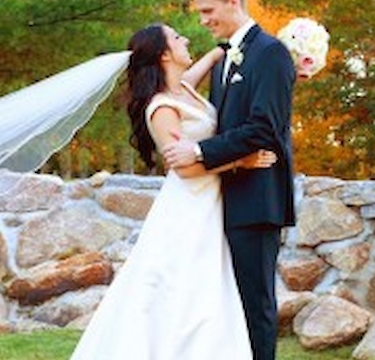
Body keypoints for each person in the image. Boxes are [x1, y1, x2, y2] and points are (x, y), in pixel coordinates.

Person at [69, 23, 277, 360]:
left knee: (208, 292)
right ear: (165, 53)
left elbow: (193, 77)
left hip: (212, 201)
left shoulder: (183, 89)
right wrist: (241, 161)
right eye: (178, 38)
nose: (186, 40)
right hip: (190, 206)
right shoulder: (162, 108)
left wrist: (220, 53)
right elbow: (186, 168)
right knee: (185, 293)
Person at [162, 0, 296, 359]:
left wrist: (201, 152)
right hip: (221, 197)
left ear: (233, 2)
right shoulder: (226, 57)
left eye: (209, 11)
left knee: (255, 307)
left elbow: (265, 127)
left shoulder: (271, 53)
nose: (203, 21)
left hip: (255, 200)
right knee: (224, 308)